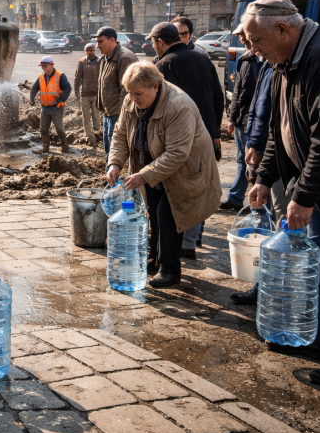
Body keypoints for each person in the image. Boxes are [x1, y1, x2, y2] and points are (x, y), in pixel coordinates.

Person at [245, 0, 320, 388]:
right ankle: (315, 341)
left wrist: (304, 196)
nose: (253, 50)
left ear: (283, 29)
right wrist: (264, 177)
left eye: (256, 41)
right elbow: (282, 133)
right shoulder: (284, 62)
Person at [107, 62, 221, 288]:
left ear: (155, 86)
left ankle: (170, 270)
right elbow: (120, 134)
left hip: (183, 170)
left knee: (168, 216)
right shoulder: (132, 100)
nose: (133, 98)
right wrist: (115, 163)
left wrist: (143, 175)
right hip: (151, 167)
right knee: (152, 213)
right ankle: (154, 258)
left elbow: (177, 154)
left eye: (138, 93)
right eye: (129, 92)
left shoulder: (178, 106)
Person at [149, 22, 224, 259]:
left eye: (153, 43)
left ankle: (174, 248)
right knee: (198, 189)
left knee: (176, 194)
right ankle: (190, 243)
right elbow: (218, 97)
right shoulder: (202, 58)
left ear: (160, 42)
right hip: (206, 135)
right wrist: (215, 132)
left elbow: (159, 107)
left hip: (179, 139)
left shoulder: (164, 65)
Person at [230, 25, 286, 306]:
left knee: (280, 221)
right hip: (263, 149)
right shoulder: (265, 64)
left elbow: (273, 116)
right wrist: (253, 141)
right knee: (267, 216)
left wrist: (259, 144)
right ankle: (265, 284)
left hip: (274, 155)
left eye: (255, 41)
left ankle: (276, 288)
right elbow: (258, 107)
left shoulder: (281, 66)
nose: (252, 47)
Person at [221, 25, 259, 210]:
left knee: (250, 162)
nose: (241, 39)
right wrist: (232, 117)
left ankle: (256, 201)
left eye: (243, 35)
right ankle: (236, 198)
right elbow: (238, 91)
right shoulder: (245, 59)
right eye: (240, 35)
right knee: (241, 160)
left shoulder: (260, 61)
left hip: (252, 122)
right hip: (241, 120)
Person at [96, 27, 138, 156]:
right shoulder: (106, 58)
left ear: (112, 40)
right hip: (109, 113)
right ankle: (111, 175)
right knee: (109, 150)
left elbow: (127, 90)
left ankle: (114, 176)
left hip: (118, 114)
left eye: (100, 41)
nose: (97, 46)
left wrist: (121, 115)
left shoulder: (124, 58)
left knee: (114, 152)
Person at [30, 56, 72, 154]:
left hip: (57, 107)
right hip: (45, 107)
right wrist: (32, 99)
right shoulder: (41, 77)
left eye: (45, 66)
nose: (44, 68)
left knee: (59, 128)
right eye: (42, 67)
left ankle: (65, 148)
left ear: (51, 65)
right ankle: (45, 149)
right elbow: (34, 88)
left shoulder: (60, 75)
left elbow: (68, 88)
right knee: (43, 129)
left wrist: (62, 100)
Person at [73, 43, 100, 146]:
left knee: (96, 117)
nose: (90, 53)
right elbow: (77, 78)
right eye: (88, 51)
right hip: (84, 95)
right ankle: (92, 140)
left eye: (92, 51)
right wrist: (76, 93)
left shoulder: (100, 62)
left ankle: (97, 134)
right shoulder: (82, 62)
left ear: (95, 51)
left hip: (96, 95)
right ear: (85, 52)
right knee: (86, 118)